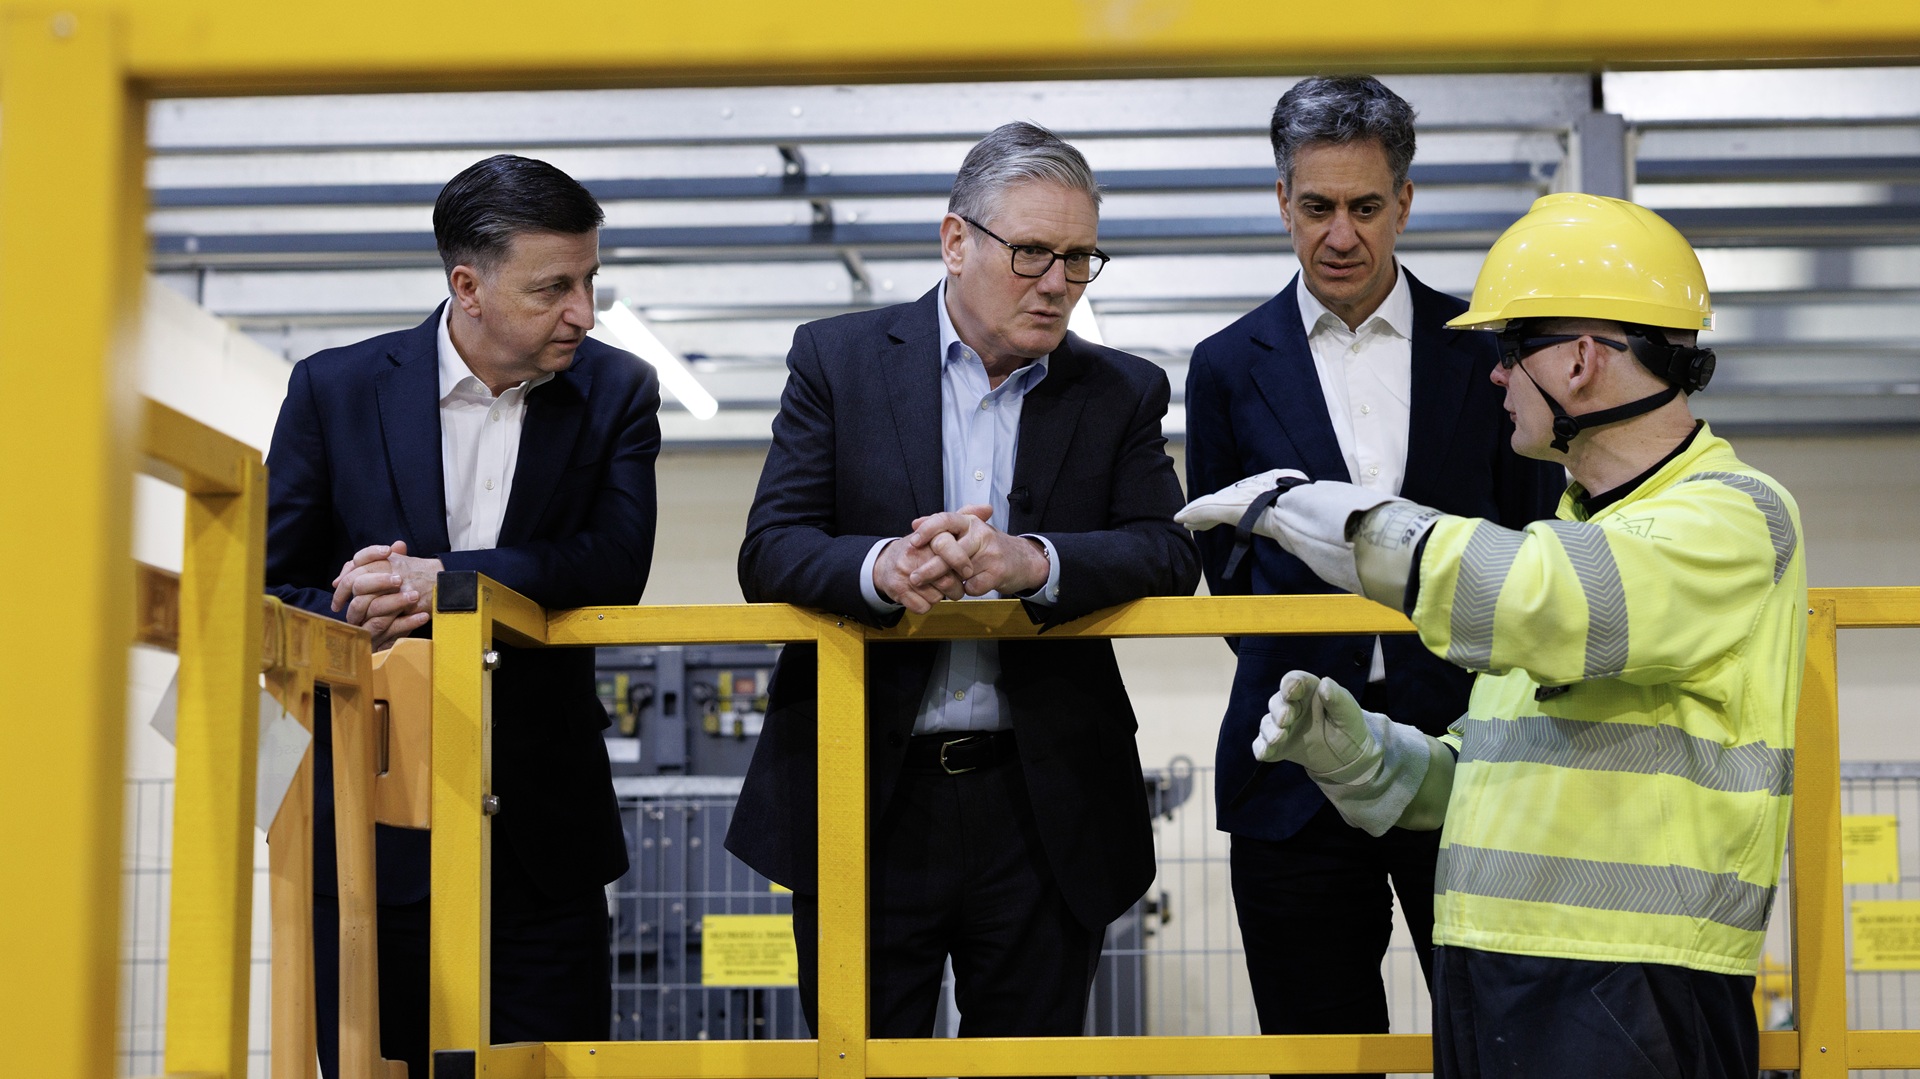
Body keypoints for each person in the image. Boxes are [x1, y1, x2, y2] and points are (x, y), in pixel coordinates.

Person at [1180, 192, 1805, 1079]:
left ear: (1583, 359)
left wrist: (1342, 522)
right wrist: (1374, 760)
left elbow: (1544, 600)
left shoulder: (1734, 517)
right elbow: (1504, 759)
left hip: (1629, 986)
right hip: (1510, 970)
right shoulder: (1573, 531)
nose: (1495, 376)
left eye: (1511, 351)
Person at [725, 121, 1199, 1040]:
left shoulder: (1121, 391)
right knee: (860, 1065)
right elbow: (771, 546)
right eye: (1031, 253)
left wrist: (1034, 562)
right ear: (955, 240)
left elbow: (1169, 552)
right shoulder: (837, 361)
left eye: (1079, 258)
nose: (1058, 282)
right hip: (864, 794)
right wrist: (881, 567)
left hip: (1044, 806)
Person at [1182, 75, 1563, 1067]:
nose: (1339, 234)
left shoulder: (1482, 349)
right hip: (1290, 771)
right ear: (1281, 200)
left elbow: (1528, 544)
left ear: (1404, 199)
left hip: (1467, 760)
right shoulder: (1225, 365)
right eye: (1316, 207)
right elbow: (1227, 568)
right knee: (1312, 1053)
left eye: (1362, 206)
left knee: (1499, 1044)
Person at [265, 154, 661, 1077]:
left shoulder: (618, 393)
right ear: (467, 285)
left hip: (541, 836)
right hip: (367, 821)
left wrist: (441, 583)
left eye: (592, 279)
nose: (584, 313)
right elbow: (270, 587)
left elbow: (612, 566)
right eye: (554, 287)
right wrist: (350, 605)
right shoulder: (333, 390)